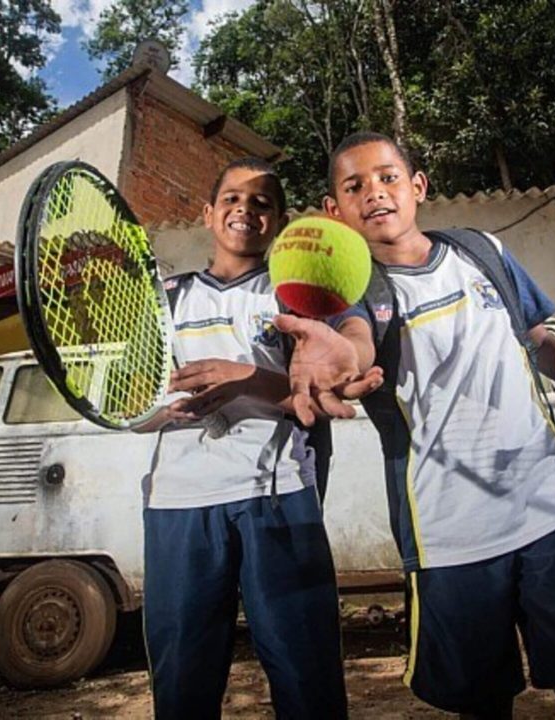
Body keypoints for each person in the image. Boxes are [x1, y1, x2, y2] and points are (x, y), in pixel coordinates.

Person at [322, 131, 555, 720]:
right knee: (482, 706)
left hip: (550, 512)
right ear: (335, 212)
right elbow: (350, 343)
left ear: (417, 187)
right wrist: (337, 363)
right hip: (447, 538)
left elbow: (542, 340)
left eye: (387, 178)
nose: (374, 193)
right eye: (354, 186)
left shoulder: (480, 250)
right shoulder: (349, 294)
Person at [139, 156, 379, 719]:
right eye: (232, 199)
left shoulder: (302, 299)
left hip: (278, 497)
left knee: (308, 678)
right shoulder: (163, 300)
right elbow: (136, 408)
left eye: (261, 202)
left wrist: (245, 378)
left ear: (279, 221)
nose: (245, 209)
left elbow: (316, 398)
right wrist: (169, 409)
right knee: (181, 688)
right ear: (208, 213)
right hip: (178, 505)